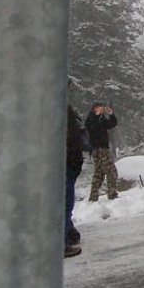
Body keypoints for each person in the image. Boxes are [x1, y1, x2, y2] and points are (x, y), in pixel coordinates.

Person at [86, 102, 119, 201]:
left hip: (102, 148)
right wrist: (96, 116)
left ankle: (93, 197)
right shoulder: (91, 118)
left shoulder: (101, 118)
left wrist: (111, 115)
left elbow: (111, 125)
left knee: (99, 173)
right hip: (99, 149)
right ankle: (112, 193)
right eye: (99, 108)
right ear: (95, 109)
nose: (102, 110)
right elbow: (91, 128)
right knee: (111, 171)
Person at [65, 104, 85, 258]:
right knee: (64, 203)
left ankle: (69, 232)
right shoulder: (55, 106)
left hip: (70, 162)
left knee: (66, 203)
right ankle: (62, 240)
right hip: (64, 163)